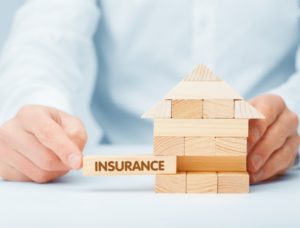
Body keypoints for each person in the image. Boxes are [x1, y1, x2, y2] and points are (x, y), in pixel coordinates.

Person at [0, 0, 299, 184]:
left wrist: (292, 112)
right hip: (117, 179)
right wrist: (36, 110)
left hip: (271, 175)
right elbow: (45, 36)